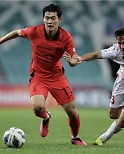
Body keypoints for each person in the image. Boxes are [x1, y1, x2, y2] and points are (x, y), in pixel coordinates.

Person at [0, 3, 87, 146]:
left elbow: (72, 58)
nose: (49, 21)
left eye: (53, 18)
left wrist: (72, 62)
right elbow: (16, 32)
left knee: (72, 111)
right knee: (37, 108)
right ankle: (46, 117)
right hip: (38, 76)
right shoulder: (34, 32)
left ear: (60, 19)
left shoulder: (66, 37)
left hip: (57, 76)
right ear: (43, 19)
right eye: (47, 18)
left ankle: (75, 137)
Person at [64, 26, 124, 145]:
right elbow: (96, 54)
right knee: (113, 115)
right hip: (122, 83)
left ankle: (103, 138)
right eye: (119, 43)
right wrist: (80, 58)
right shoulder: (115, 50)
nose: (122, 46)